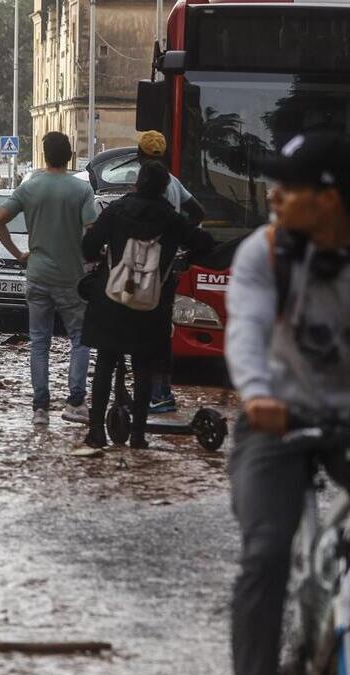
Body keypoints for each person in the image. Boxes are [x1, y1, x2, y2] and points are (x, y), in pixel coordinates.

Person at [225, 131, 350, 675]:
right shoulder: (265, 251)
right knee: (266, 553)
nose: (274, 195)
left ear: (328, 198)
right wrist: (255, 396)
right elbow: (246, 332)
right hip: (275, 420)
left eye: (289, 186)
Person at [79, 161, 214, 449]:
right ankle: (138, 435)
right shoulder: (171, 219)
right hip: (151, 304)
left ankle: (96, 432)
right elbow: (205, 243)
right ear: (165, 187)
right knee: (143, 365)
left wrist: (107, 254)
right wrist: (177, 260)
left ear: (137, 182)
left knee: (105, 362)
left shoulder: (116, 211)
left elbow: (88, 246)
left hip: (111, 300)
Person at [0, 132, 98, 426]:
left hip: (36, 273)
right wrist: (90, 260)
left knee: (39, 341)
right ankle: (76, 401)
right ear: (70, 156)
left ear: (44, 155)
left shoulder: (30, 187)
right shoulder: (81, 190)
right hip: (71, 277)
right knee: (79, 338)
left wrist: (18, 254)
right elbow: (92, 229)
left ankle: (40, 409)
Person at [134, 130, 208, 414]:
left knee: (143, 332)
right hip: (168, 268)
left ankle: (155, 393)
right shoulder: (175, 183)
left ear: (139, 156)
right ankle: (158, 391)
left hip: (144, 269)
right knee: (162, 330)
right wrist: (182, 242)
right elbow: (198, 212)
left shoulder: (149, 187)